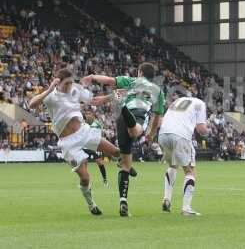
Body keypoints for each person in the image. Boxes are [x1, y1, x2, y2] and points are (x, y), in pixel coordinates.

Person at [29, 67, 120, 216]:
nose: (70, 86)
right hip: (68, 143)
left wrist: (112, 96)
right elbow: (32, 104)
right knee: (85, 178)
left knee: (116, 152)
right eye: (67, 83)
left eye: (71, 83)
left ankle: (124, 168)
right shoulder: (51, 96)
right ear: (58, 83)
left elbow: (94, 101)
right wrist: (49, 88)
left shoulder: (75, 90)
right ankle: (91, 204)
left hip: (84, 132)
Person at [81, 62, 165, 217]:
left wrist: (92, 77)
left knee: (125, 163)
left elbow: (109, 81)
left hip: (121, 119)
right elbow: (157, 116)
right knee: (135, 132)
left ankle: (123, 201)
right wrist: (151, 135)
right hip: (138, 114)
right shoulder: (158, 91)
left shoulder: (131, 83)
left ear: (139, 72)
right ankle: (127, 114)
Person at [158, 91, 208, 216]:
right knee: (190, 171)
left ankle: (166, 199)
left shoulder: (177, 101)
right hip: (180, 135)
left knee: (172, 166)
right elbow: (201, 130)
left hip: (163, 134)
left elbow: (163, 119)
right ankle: (186, 208)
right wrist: (208, 129)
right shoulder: (200, 104)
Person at [83, 109, 109, 187]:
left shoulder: (97, 123)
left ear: (92, 115)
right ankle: (86, 181)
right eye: (86, 114)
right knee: (84, 164)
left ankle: (105, 179)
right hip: (85, 146)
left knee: (100, 163)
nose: (87, 115)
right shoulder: (83, 124)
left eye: (89, 114)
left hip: (94, 146)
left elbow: (100, 134)